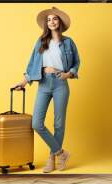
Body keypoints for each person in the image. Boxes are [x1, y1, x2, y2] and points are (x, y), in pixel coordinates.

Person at [14, 7, 80, 173]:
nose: (52, 22)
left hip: (60, 83)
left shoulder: (68, 42)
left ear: (60, 22)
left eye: (55, 19)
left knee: (59, 124)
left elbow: (76, 62)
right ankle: (61, 153)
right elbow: (32, 64)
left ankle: (51, 158)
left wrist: (68, 74)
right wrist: (23, 81)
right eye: (49, 20)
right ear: (46, 23)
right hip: (43, 83)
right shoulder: (41, 41)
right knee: (37, 123)